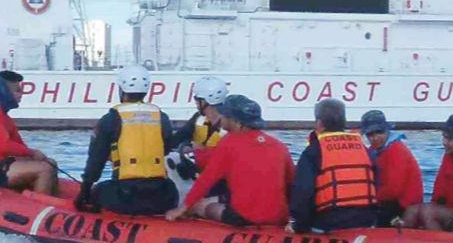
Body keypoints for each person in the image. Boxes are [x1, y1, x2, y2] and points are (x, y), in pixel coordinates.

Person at [165, 95, 293, 227]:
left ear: (237, 122)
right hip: (279, 217)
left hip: (245, 217)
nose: (221, 117)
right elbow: (292, 183)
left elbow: (206, 180)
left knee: (200, 206)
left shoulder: (229, 143)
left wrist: (182, 208)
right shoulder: (279, 146)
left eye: (225, 115)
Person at [76, 66, 179, 215]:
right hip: (162, 197)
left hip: (126, 196)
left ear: (121, 90)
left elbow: (96, 160)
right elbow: (166, 148)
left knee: (99, 190)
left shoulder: (111, 119)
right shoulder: (162, 117)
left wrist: (85, 191)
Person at [290, 98, 380, 232]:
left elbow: (303, 192)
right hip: (366, 220)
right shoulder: (364, 149)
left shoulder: (314, 151)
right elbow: (376, 182)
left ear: (319, 123)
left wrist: (299, 225)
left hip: (329, 223)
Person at [0, 70, 58, 194]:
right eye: (17, 90)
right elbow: (4, 146)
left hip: (0, 164)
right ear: (5, 91)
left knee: (51, 163)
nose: (21, 94)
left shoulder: (5, 117)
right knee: (45, 169)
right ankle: (42, 204)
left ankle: (51, 199)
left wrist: (33, 155)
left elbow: (19, 145)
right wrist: (33, 152)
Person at [360, 109, 423, 226]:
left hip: (402, 205)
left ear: (387, 131)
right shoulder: (375, 150)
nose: (375, 138)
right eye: (370, 134)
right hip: (387, 200)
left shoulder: (397, 150)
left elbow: (393, 190)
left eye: (379, 132)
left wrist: (369, 198)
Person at [170, 76, 230, 180]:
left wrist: (197, 151)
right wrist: (186, 146)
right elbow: (177, 138)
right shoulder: (198, 118)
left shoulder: (230, 125)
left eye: (197, 99)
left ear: (205, 101)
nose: (196, 103)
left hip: (221, 176)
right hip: (201, 173)